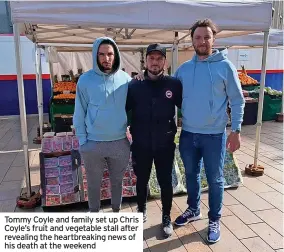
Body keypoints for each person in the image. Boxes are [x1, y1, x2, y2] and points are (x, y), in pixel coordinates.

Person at [173, 19, 245, 243]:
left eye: (206, 37)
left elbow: (238, 99)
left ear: (214, 39)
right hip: (188, 134)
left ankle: (215, 218)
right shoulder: (183, 70)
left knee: (215, 179)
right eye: (197, 37)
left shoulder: (225, 66)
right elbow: (167, 94)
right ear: (191, 40)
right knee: (191, 175)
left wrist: (236, 130)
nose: (202, 41)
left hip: (214, 135)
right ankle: (194, 210)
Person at [126, 44, 182, 238]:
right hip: (141, 144)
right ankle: (141, 210)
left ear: (164, 62)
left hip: (165, 144)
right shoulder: (134, 85)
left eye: (159, 59)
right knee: (141, 180)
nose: (155, 62)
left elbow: (187, 105)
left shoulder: (174, 84)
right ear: (146, 61)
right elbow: (124, 110)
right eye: (152, 58)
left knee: (165, 182)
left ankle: (166, 217)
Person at [73, 37, 132, 213]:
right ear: (95, 56)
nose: (106, 59)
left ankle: (116, 212)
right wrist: (83, 142)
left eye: (110, 54)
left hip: (119, 142)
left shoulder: (126, 80)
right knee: (93, 184)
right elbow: (79, 112)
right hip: (93, 144)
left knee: (117, 182)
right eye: (102, 54)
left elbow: (134, 108)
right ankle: (94, 214)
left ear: (116, 56)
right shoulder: (85, 80)